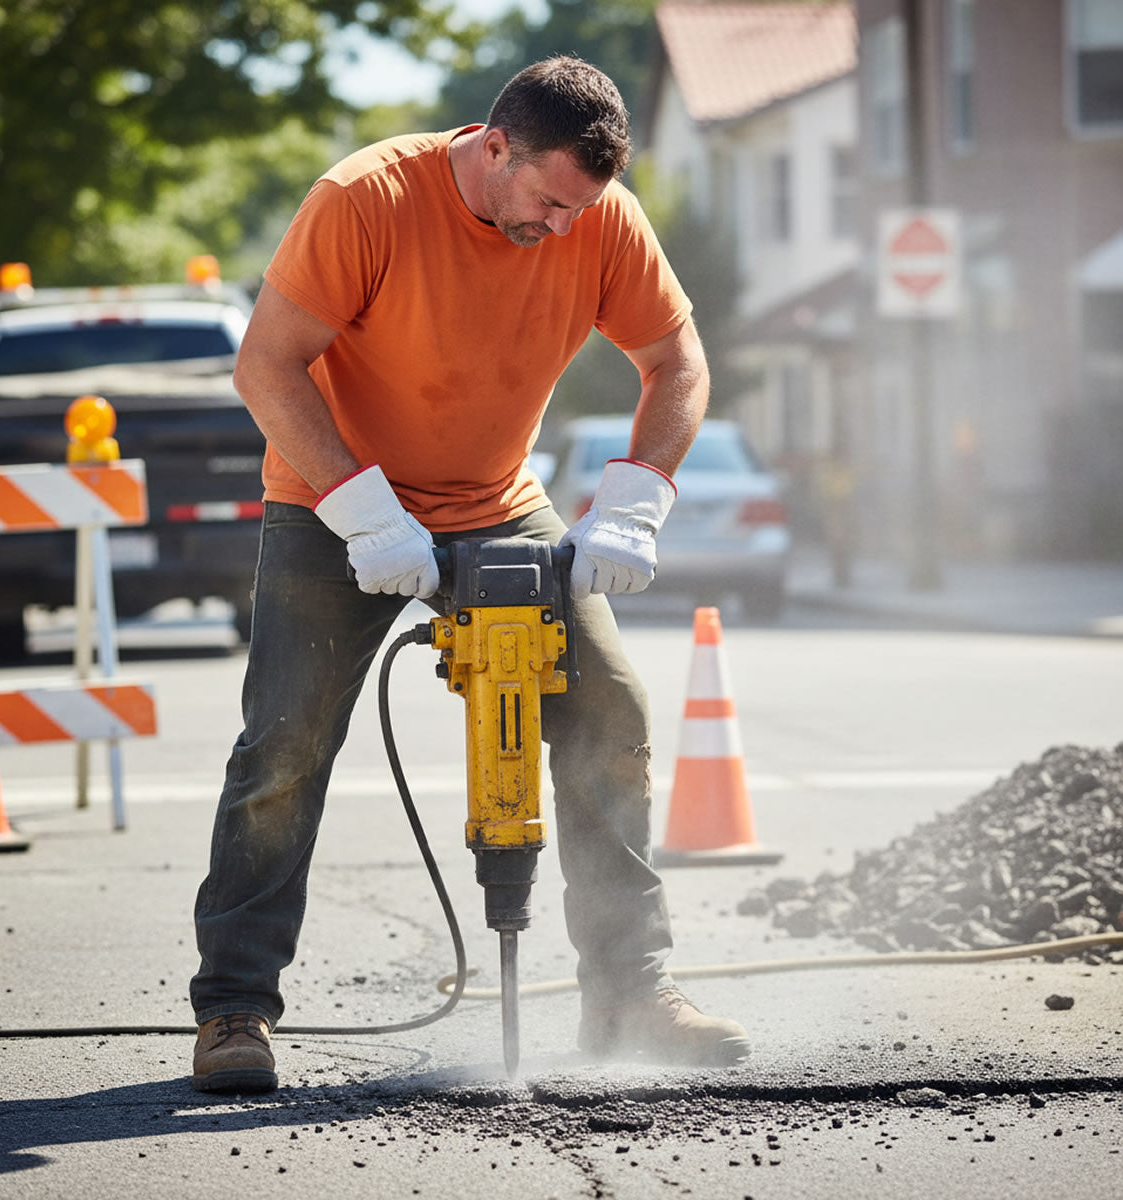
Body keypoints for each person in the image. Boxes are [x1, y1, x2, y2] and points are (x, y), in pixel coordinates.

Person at [190, 55, 751, 1094]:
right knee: (285, 745)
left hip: (497, 501)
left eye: (583, 208)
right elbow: (265, 364)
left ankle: (630, 991)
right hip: (333, 501)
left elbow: (677, 359)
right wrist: (366, 514)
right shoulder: (366, 201)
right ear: (496, 148)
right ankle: (235, 1006)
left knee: (610, 709)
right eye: (549, 202)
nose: (566, 227)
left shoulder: (602, 220)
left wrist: (636, 500)